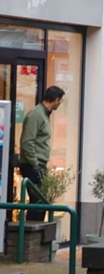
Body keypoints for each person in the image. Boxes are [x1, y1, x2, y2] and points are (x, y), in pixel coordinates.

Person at [19, 86, 65, 221]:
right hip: (33, 164)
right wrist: (35, 165)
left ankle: (35, 235)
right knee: (38, 201)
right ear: (56, 100)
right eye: (60, 100)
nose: (60, 103)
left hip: (38, 163)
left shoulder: (42, 114)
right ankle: (29, 234)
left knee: (41, 201)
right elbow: (28, 142)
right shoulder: (36, 114)